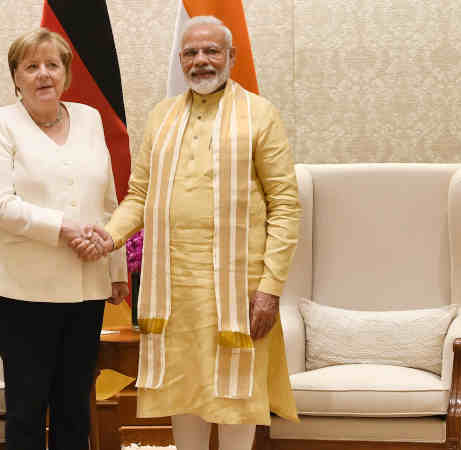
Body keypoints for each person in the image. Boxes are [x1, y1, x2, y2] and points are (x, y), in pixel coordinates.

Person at [78, 16, 301, 450]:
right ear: (181, 61)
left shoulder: (260, 115)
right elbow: (139, 195)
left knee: (236, 395)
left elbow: (286, 207)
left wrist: (270, 289)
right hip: (174, 287)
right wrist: (109, 237)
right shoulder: (163, 116)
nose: (201, 61)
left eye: (211, 51)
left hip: (240, 289)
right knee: (184, 394)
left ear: (231, 58)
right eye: (191, 53)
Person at [0, 27, 128, 450]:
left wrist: (115, 268)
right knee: (27, 408)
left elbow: (108, 201)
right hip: (20, 290)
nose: (43, 74)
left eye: (52, 65)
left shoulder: (90, 119)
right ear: (16, 77)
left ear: (66, 75)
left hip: (86, 286)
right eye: (32, 66)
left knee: (75, 407)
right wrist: (65, 227)